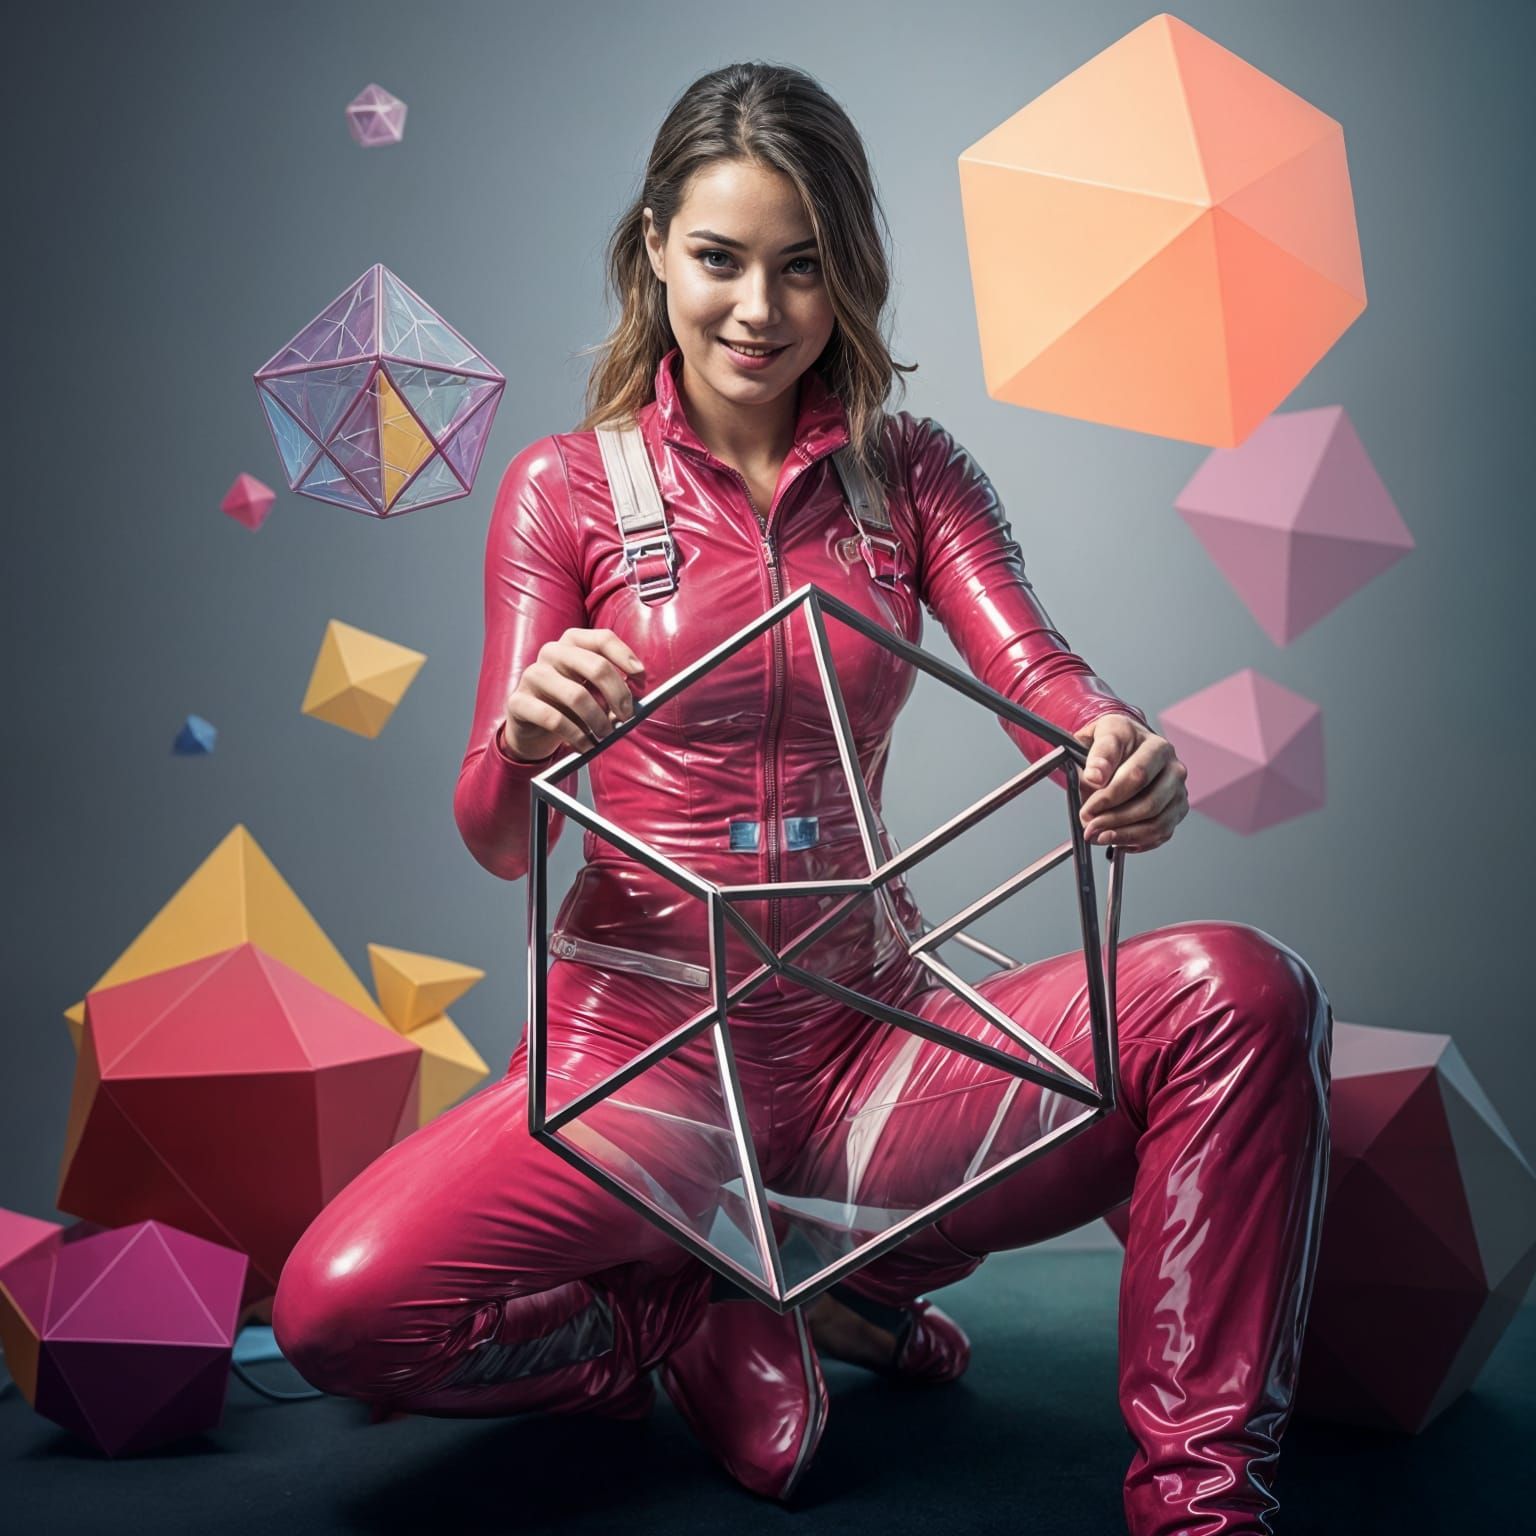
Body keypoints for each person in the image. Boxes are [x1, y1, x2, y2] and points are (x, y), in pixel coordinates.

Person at [272, 61, 1331, 1535]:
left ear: (851, 276)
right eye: (718, 260)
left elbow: (1043, 678)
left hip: (868, 1060)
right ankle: (680, 1314)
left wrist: (1118, 749)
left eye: (803, 268)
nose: (757, 313)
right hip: (637, 1079)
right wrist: (525, 736)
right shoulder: (564, 489)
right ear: (654, 246)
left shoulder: (916, 475)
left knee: (1241, 990)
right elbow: (496, 836)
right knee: (335, 1309)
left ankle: (1202, 1505)